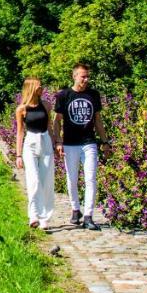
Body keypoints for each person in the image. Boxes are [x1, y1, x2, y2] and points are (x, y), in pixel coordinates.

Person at [54, 63, 107, 231]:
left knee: (91, 178)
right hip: (70, 143)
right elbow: (57, 121)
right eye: (83, 76)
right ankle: (75, 209)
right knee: (72, 178)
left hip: (89, 141)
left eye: (87, 76)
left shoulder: (93, 95)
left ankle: (88, 215)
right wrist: (58, 141)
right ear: (74, 76)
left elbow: (98, 120)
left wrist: (105, 141)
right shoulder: (64, 96)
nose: (86, 79)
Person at [14, 77, 55, 229]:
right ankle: (33, 215)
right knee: (34, 180)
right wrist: (18, 155)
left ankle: (45, 217)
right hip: (30, 143)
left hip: (45, 141)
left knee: (46, 181)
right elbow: (19, 132)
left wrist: (56, 142)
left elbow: (49, 126)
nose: (42, 88)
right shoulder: (21, 109)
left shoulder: (46, 105)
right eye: (39, 86)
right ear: (31, 88)